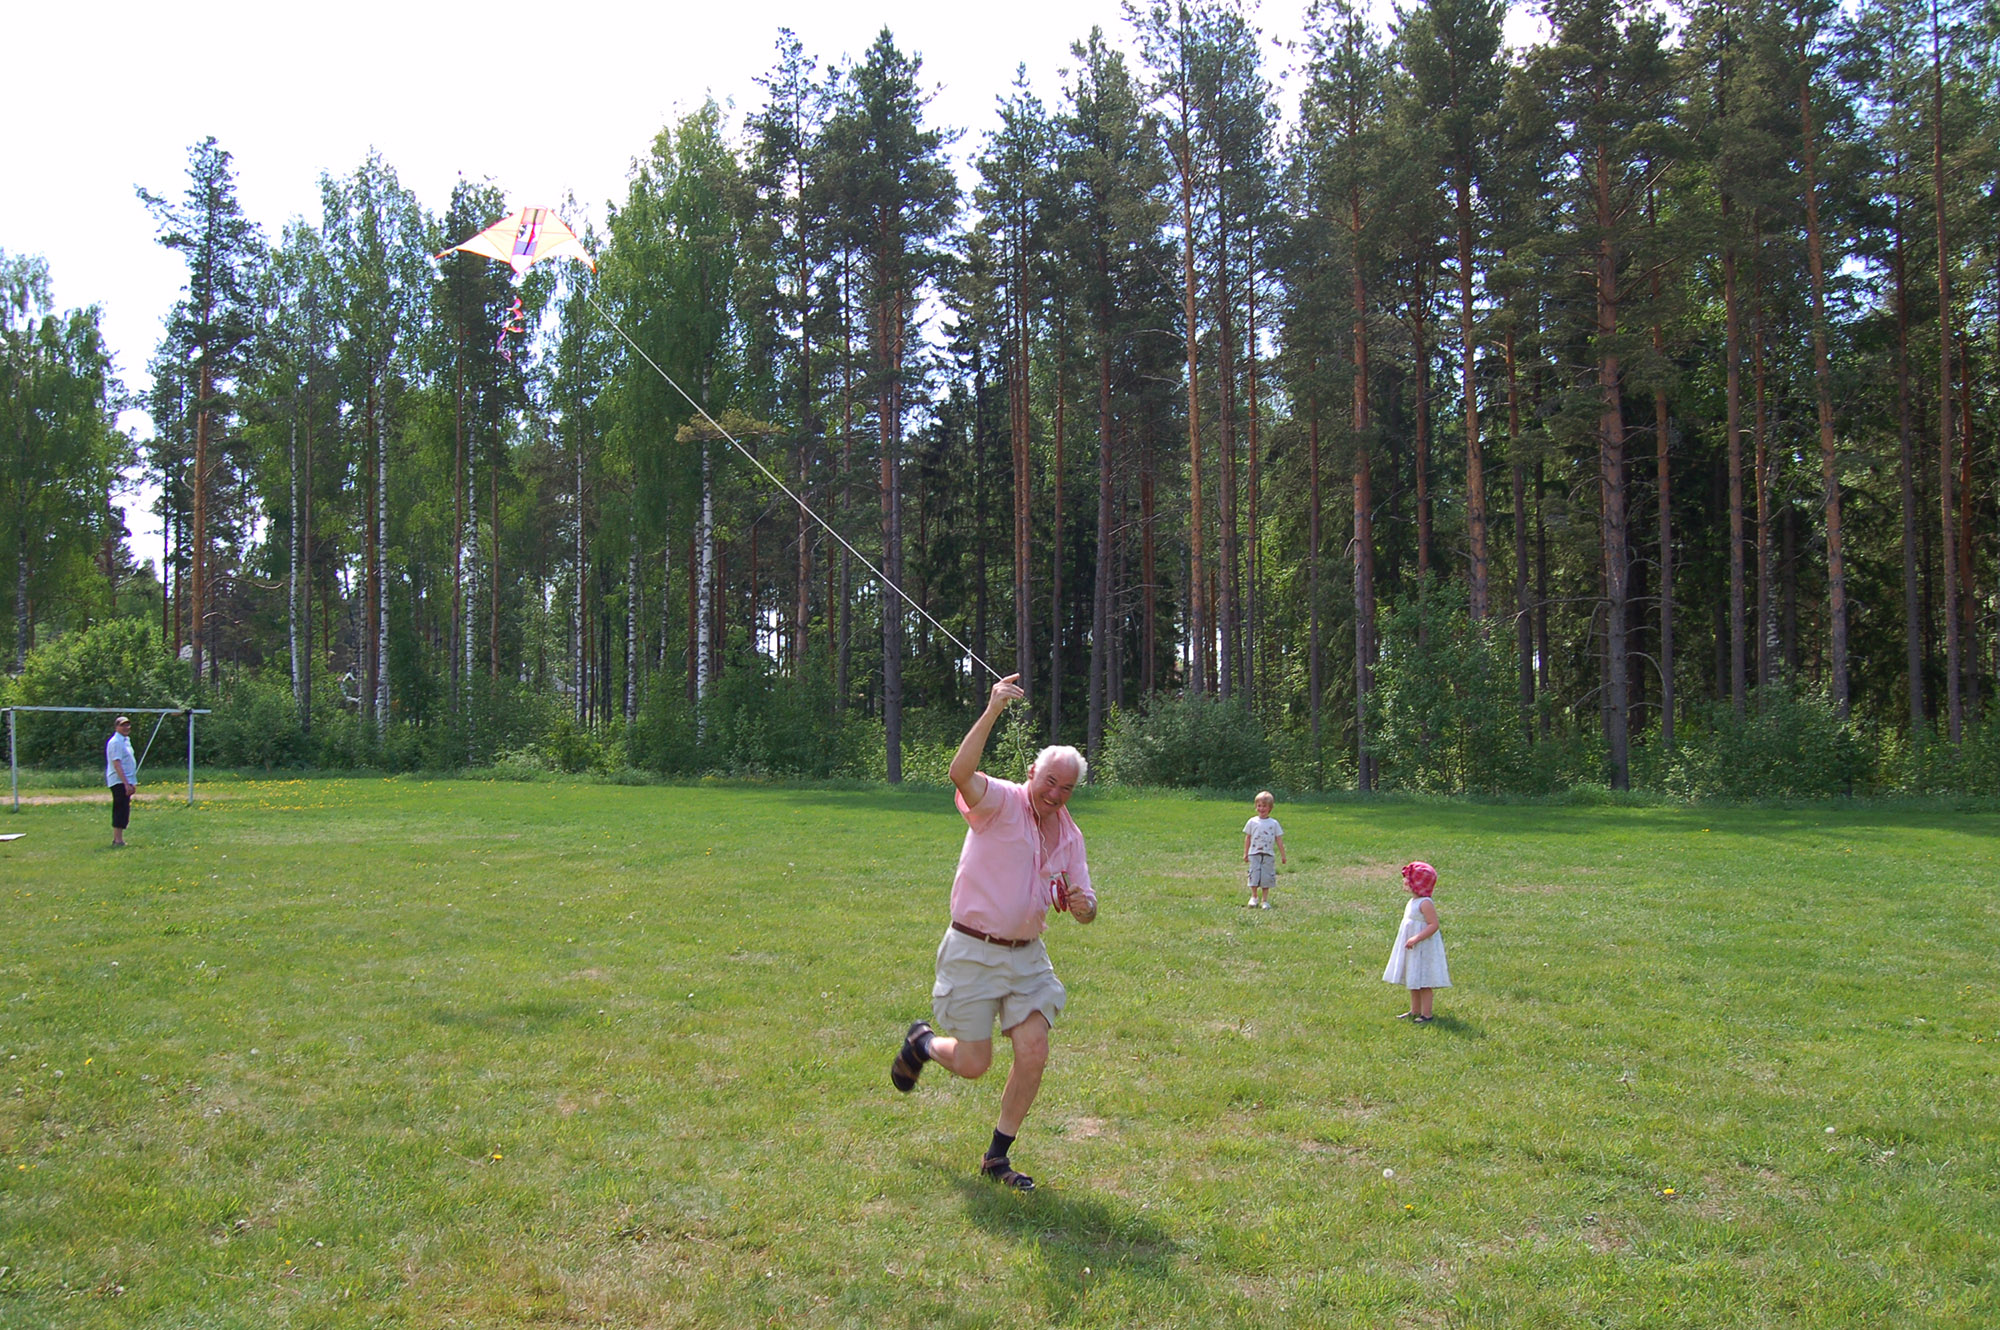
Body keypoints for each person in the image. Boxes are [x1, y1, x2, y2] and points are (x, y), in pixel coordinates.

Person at [889, 673, 1097, 1191]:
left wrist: (1083, 905)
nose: (1055, 794)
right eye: (1049, 782)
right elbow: (961, 772)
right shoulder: (999, 801)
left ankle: (996, 1158)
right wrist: (992, 710)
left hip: (1028, 955)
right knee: (974, 1063)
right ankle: (922, 1043)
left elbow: (1087, 906)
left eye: (1067, 788)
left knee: (1034, 1050)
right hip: (972, 949)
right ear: (1032, 772)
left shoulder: (1070, 834)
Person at [1383, 861, 1450, 1021]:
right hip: (1413, 948)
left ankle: (1426, 1014)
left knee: (1424, 980)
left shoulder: (1425, 903)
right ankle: (1414, 1010)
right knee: (1413, 977)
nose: (1404, 882)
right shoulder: (1413, 902)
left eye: (1408, 879)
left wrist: (1416, 938)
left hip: (1423, 948)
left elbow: (1433, 924)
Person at [1241, 790, 1286, 908]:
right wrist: (1245, 853)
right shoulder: (1252, 822)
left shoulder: (1274, 823)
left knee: (1266, 877)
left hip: (1268, 854)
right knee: (1254, 875)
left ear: (1270, 808)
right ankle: (1254, 897)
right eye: (1259, 806)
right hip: (1254, 853)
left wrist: (1283, 855)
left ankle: (1265, 900)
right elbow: (1248, 838)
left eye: (1264, 806)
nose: (1261, 808)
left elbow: (1279, 840)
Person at [105, 715, 138, 848]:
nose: (126, 727)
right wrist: (125, 783)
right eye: (123, 725)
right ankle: (117, 840)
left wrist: (132, 782)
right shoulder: (115, 742)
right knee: (120, 808)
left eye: (128, 725)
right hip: (119, 781)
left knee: (125, 809)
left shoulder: (126, 741)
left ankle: (120, 839)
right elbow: (117, 764)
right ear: (116, 727)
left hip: (127, 780)